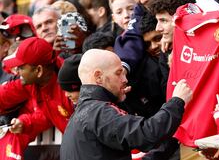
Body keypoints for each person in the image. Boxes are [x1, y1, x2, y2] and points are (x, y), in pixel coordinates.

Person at [60, 49, 193, 160]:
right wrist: (177, 101)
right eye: (118, 73)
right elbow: (146, 134)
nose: (125, 79)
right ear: (98, 77)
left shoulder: (81, 115)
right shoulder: (98, 112)